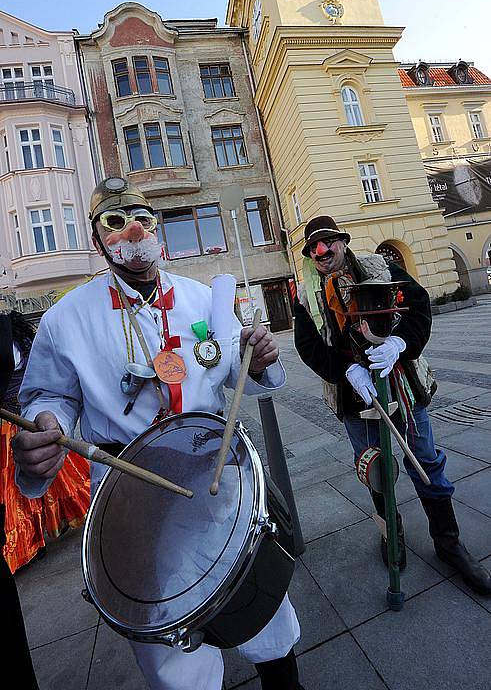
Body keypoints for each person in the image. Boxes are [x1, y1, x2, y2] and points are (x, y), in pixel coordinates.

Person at [13, 177, 304, 690]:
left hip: (212, 471)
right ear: (98, 236)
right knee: (169, 644)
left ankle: (284, 681)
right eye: (116, 221)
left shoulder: (199, 299)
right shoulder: (65, 319)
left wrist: (255, 361)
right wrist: (49, 426)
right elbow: (49, 396)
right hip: (131, 491)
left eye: (144, 218)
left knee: (259, 597)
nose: (134, 230)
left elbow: (231, 376)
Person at [293, 214, 491, 595]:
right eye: (315, 247)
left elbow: (417, 306)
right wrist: (347, 370)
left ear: (342, 243)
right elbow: (308, 347)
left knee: (426, 461)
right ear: (310, 255)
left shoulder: (381, 265)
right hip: (357, 398)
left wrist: (400, 343)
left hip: (402, 385)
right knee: (376, 470)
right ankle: (392, 536)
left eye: (329, 242)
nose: (323, 251)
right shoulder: (305, 296)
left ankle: (449, 543)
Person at [1, 310, 90, 573]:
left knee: (28, 485)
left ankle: (34, 540)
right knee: (42, 479)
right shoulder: (22, 344)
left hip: (19, 420)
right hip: (22, 418)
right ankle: (40, 535)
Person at [0, 311, 39, 689]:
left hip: (18, 423)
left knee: (25, 494)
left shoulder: (10, 346)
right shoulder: (14, 345)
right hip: (12, 422)